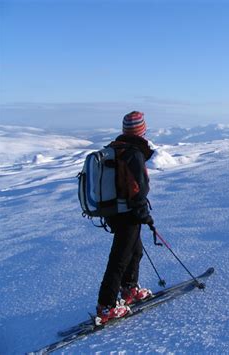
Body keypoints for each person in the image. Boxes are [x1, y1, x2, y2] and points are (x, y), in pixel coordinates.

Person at [96, 111, 155, 324]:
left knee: (135, 250)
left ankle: (129, 289)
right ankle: (106, 306)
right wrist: (144, 215)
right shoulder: (133, 153)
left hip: (114, 211)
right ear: (142, 130)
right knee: (119, 258)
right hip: (127, 213)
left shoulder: (115, 148)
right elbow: (137, 189)